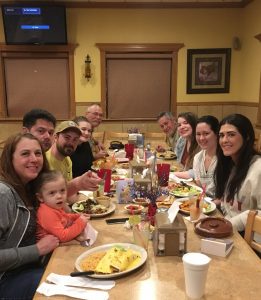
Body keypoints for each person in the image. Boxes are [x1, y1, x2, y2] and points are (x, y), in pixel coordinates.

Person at [0, 133, 59, 299]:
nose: (34, 159)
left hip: (31, 268)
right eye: (25, 154)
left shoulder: (30, 188)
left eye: (38, 153)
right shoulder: (3, 194)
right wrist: (37, 250)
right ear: (10, 159)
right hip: (7, 279)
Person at [214, 114, 261, 232]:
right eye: (221, 135)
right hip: (230, 230)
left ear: (247, 137)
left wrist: (230, 224)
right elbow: (230, 205)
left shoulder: (258, 168)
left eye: (231, 135)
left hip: (251, 241)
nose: (224, 140)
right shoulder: (231, 164)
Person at [45, 120, 102, 200]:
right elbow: (51, 199)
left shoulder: (67, 160)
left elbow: (68, 193)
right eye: (67, 137)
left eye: (75, 139)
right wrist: (78, 183)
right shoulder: (45, 163)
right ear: (56, 137)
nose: (70, 143)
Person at [35, 170, 90, 243]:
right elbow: (63, 236)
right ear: (40, 197)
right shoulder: (46, 213)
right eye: (52, 193)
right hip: (52, 252)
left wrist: (77, 216)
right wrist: (80, 222)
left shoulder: (53, 206)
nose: (59, 196)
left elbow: (64, 217)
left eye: (62, 190)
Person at [193, 115, 219, 197]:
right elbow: (199, 186)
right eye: (198, 134)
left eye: (206, 133)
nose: (201, 138)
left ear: (216, 134)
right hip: (204, 202)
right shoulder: (198, 157)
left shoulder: (225, 158)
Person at [174, 112, 200, 178]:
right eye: (179, 125)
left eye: (185, 123)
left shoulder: (201, 143)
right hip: (182, 178)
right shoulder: (181, 140)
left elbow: (198, 172)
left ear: (194, 124)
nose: (182, 127)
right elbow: (177, 160)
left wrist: (174, 174)